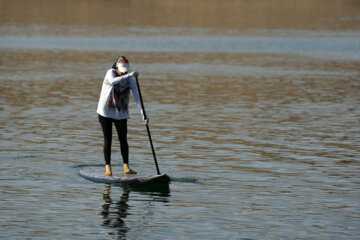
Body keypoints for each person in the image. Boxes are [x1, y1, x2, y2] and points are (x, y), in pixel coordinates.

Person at [97, 56, 149, 176]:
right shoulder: (110, 73)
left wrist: (143, 114)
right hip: (105, 112)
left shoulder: (130, 79)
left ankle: (126, 167)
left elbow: (137, 97)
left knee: (123, 140)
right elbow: (113, 82)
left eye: (126, 70)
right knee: (108, 139)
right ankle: (108, 168)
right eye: (122, 70)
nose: (124, 72)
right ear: (116, 68)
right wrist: (129, 75)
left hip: (120, 113)